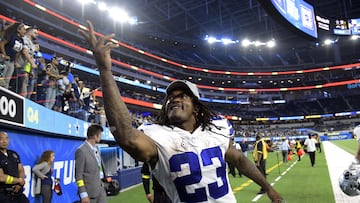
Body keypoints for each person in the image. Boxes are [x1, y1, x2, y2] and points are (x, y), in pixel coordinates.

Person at [78, 21, 284, 203]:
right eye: (170, 97)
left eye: (182, 95)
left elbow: (239, 159)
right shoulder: (158, 136)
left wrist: (268, 187)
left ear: (196, 106)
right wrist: (105, 71)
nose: (174, 98)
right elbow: (126, 136)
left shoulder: (218, 128)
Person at [75, 124, 107, 203]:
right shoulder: (81, 151)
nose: (101, 137)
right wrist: (83, 194)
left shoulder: (97, 149)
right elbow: (78, 175)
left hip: (101, 191)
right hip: (89, 194)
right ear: (95, 136)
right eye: (100, 135)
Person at [0, 131, 29, 203]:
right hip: (3, 195)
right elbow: (1, 177)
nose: (4, 141)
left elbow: (21, 169)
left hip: (18, 193)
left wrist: (20, 183)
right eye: (1, 139)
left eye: (6, 138)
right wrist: (19, 180)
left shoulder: (13, 154)